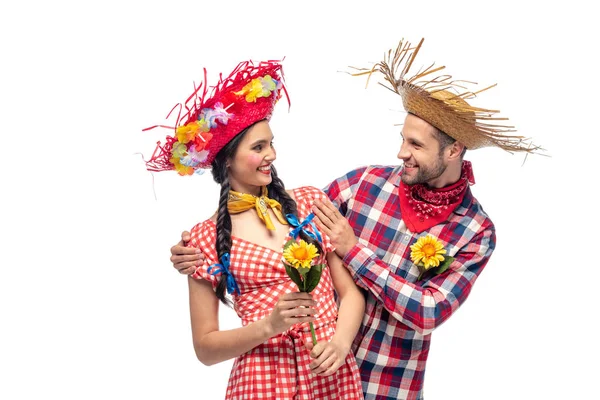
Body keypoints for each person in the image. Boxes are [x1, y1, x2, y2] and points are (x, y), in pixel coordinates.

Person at [168, 39, 541, 400]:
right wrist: (193, 251)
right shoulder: (360, 184)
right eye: (403, 139)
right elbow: (282, 227)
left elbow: (428, 311)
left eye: (415, 145)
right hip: (282, 377)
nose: (401, 152)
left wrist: (353, 250)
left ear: (454, 149)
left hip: (384, 381)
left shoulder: (475, 231)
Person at [144, 60, 366, 399]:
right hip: (262, 381)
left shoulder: (308, 204)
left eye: (271, 144)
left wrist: (340, 343)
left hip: (328, 375)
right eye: (258, 147)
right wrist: (269, 326)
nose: (272, 155)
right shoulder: (202, 241)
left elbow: (350, 293)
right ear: (227, 160)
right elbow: (205, 348)